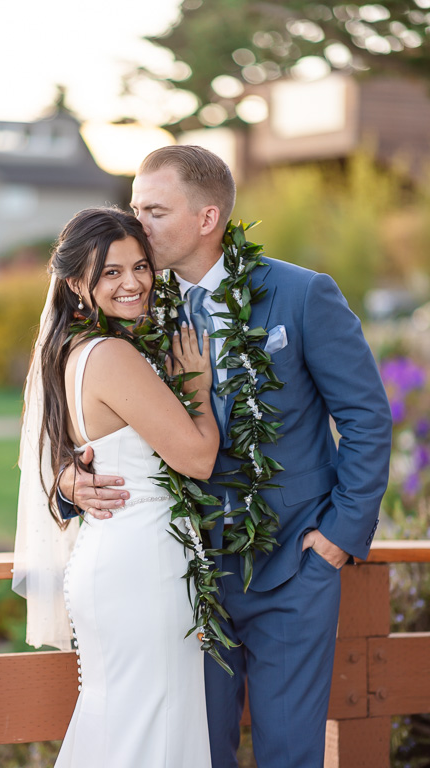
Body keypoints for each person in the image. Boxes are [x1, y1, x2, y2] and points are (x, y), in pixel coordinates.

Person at [58, 145, 393, 768]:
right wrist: (67, 480)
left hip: (295, 566)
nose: (138, 226)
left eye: (154, 211)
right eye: (135, 209)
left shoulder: (301, 295)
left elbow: (367, 418)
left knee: (290, 753)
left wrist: (338, 537)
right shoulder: (133, 307)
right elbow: (88, 416)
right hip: (183, 576)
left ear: (206, 218)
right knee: (197, 750)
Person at [13, 207, 219, 767]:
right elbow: (198, 458)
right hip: (142, 567)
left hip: (114, 559)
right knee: (151, 725)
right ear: (78, 282)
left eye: (140, 267)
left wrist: (63, 477)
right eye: (110, 272)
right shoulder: (113, 355)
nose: (133, 283)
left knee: (123, 723)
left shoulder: (71, 352)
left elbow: (53, 454)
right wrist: (197, 389)